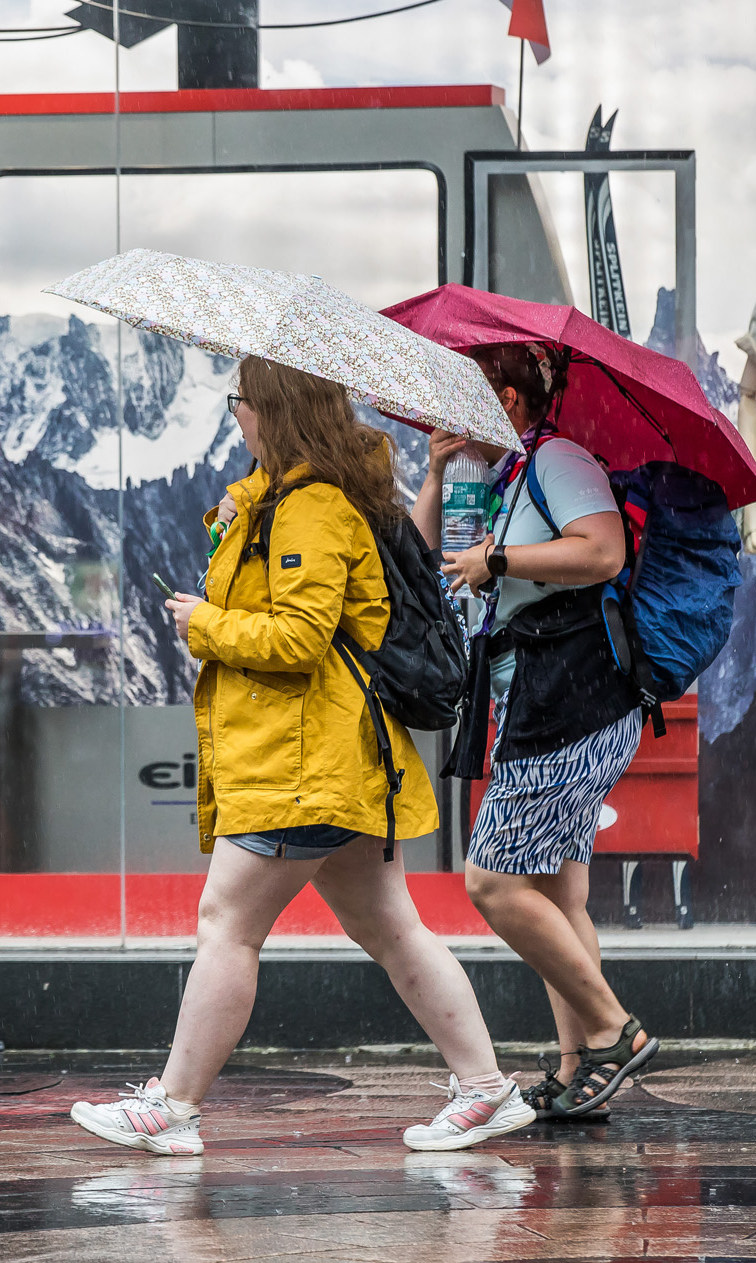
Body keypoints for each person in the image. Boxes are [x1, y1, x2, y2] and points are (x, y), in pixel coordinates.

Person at [69, 355, 533, 1156]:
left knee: (227, 922)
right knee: (391, 928)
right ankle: (485, 1088)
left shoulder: (311, 510)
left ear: (274, 412)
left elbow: (299, 637)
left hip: (305, 761)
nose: (233, 415)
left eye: (240, 401)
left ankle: (172, 1106)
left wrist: (202, 625)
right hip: (329, 758)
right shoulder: (285, 502)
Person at [414, 341, 658, 1120]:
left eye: (462, 402)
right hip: (544, 701)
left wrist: (502, 558)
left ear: (508, 404)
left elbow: (603, 549)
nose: (449, 420)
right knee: (558, 890)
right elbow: (427, 569)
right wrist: (435, 477)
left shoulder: (558, 461)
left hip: (572, 702)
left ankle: (616, 1030)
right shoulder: (500, 479)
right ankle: (576, 1067)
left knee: (491, 880)